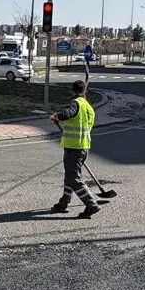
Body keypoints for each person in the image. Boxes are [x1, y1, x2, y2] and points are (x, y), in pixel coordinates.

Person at [50, 80, 100, 219]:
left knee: (73, 178)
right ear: (85, 91)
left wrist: (56, 116)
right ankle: (64, 202)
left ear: (72, 91)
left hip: (74, 147)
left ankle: (91, 204)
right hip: (83, 146)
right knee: (70, 176)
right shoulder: (89, 107)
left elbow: (69, 113)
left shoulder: (76, 103)